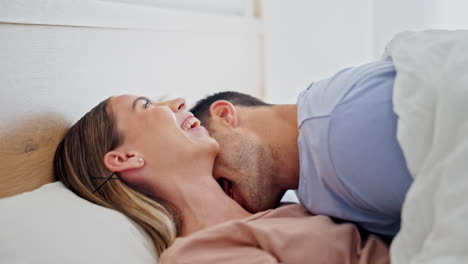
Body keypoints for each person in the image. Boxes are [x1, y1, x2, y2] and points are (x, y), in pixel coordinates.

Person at [53, 94, 389, 263]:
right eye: (146, 105)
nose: (179, 102)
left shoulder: (288, 205)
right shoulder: (200, 254)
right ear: (125, 158)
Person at [190, 60, 414, 242]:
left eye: (206, 158)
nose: (210, 186)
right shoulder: (314, 190)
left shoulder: (337, 126)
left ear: (223, 116)